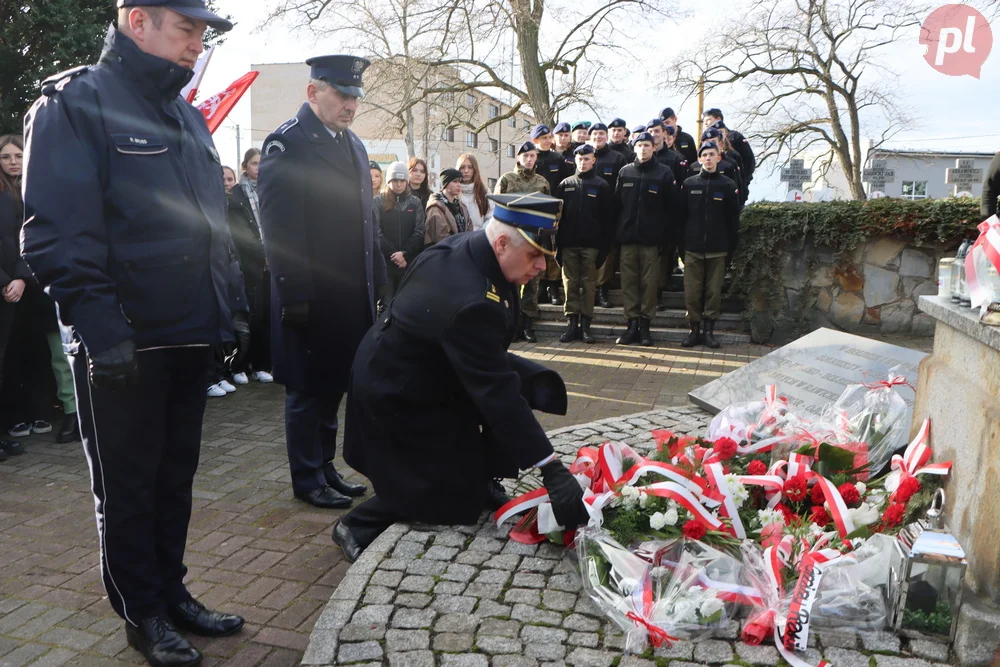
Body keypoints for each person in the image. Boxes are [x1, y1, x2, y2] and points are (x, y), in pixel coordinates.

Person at [20, 3, 246, 665]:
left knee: (175, 478)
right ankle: (142, 612)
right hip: (124, 342)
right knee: (127, 487)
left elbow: (211, 227)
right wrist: (99, 328)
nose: (197, 44)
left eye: (202, 32)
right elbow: (56, 232)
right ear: (138, 20)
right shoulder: (74, 104)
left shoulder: (185, 115)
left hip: (188, 331)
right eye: (187, 29)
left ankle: (171, 592)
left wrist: (229, 308)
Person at [334, 194, 588, 561]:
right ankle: (356, 524)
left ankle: (477, 482)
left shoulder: (473, 247)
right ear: (502, 242)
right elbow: (496, 392)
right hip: (397, 389)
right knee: (437, 494)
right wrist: (550, 467)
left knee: (469, 470)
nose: (541, 267)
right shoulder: (470, 300)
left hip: (432, 369)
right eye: (534, 256)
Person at [258, 54, 384, 511]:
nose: (350, 105)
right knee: (308, 390)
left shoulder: (351, 145)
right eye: (341, 95)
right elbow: (280, 228)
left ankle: (325, 466)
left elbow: (365, 224)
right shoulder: (288, 146)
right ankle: (306, 477)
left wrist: (379, 283)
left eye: (355, 97)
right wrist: (295, 295)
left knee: (333, 385)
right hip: (310, 297)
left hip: (349, 295)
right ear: (313, 92)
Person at [614, 131, 676, 347]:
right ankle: (631, 325)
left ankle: (645, 327)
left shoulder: (664, 173)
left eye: (647, 145)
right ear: (634, 148)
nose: (643, 149)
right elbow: (617, 205)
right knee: (629, 283)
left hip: (652, 240)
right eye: (639, 145)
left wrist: (665, 239)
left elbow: (670, 209)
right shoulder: (625, 172)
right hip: (628, 239)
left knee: (649, 285)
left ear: (653, 148)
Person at [677, 142, 740, 349]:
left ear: (719, 158)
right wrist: (681, 246)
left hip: (718, 248)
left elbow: (733, 220)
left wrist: (730, 249)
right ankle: (693, 330)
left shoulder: (728, 185)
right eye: (704, 155)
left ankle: (709, 332)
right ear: (699, 159)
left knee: (713, 293)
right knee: (692, 293)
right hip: (693, 248)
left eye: (712, 154)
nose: (708, 158)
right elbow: (681, 217)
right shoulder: (689, 183)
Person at [555, 144, 614, 344]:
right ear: (575, 160)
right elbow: (558, 219)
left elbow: (608, 220)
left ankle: (587, 326)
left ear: (593, 160)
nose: (583, 162)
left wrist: (604, 249)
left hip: (592, 246)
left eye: (587, 159)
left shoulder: (601, 186)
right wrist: (558, 247)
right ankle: (571, 325)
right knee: (570, 284)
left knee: (589, 286)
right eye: (580, 159)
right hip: (569, 245)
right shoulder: (565, 184)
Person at [494, 142, 551, 343]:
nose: (529, 159)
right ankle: (511, 323)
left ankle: (527, 324)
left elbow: (547, 211)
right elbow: (498, 211)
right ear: (518, 157)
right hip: (511, 240)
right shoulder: (506, 179)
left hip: (534, 240)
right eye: (525, 156)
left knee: (532, 284)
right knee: (509, 282)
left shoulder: (542, 182)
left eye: (532, 156)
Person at [226, 148, 273, 386]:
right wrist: (264, 255)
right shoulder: (235, 196)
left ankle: (263, 365)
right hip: (250, 265)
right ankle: (240, 365)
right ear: (245, 166)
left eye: (262, 164)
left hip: (272, 264)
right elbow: (241, 234)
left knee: (266, 316)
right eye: (255, 163)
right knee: (250, 319)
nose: (259, 168)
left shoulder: (270, 190)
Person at [0, 136, 30, 459]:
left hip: (13, 289)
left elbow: (20, 240)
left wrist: (20, 278)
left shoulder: (18, 196)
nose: (12, 161)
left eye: (17, 155)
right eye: (5, 156)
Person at [530, 124, 571, 306]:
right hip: (535, 210)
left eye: (548, 137)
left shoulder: (558, 159)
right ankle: (541, 285)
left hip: (554, 210)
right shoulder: (532, 159)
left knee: (552, 249)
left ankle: (553, 285)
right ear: (535, 141)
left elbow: (565, 184)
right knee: (538, 248)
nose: (547, 141)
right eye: (543, 138)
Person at [376, 161, 425, 307]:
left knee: (406, 305)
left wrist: (404, 253)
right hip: (385, 265)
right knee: (386, 306)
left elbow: (419, 232)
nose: (398, 184)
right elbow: (376, 233)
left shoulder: (415, 203)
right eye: (395, 180)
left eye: (402, 180)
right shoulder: (378, 202)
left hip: (408, 263)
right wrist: (394, 255)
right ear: (388, 181)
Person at [703, 108, 755, 189]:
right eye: (704, 121)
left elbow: (749, 159)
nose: (705, 123)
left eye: (708, 119)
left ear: (718, 119)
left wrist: (745, 182)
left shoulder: (735, 137)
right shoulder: (704, 140)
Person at [425, 168, 472, 246]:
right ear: (445, 184)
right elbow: (441, 238)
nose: (459, 185)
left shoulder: (461, 207)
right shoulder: (435, 208)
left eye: (460, 182)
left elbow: (469, 228)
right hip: (443, 254)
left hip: (461, 251)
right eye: (455, 181)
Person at [456, 153, 494, 231]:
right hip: (458, 239)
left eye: (470, 167)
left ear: (475, 169)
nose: (466, 171)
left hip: (480, 238)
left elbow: (491, 217)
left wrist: (479, 235)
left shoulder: (484, 192)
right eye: (462, 167)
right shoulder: (453, 191)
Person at [589, 122, 627, 191]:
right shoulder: (583, 156)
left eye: (601, 133)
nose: (598, 136)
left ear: (607, 137)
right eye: (595, 134)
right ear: (590, 137)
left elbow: (622, 184)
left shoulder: (618, 157)